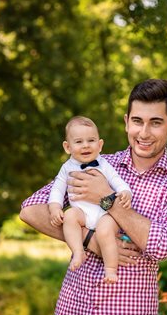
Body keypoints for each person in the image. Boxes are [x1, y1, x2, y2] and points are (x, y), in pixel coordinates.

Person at [20, 79, 167, 315]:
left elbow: (161, 245)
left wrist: (106, 197)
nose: (144, 133)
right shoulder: (95, 164)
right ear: (127, 123)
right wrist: (92, 241)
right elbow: (30, 210)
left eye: (156, 123)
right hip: (73, 308)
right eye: (137, 121)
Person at [48, 115, 132, 283]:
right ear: (67, 147)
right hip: (82, 215)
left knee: (105, 231)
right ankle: (78, 251)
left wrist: (125, 191)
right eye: (78, 142)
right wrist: (55, 207)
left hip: (105, 214)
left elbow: (116, 180)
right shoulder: (66, 168)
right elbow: (57, 189)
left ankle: (110, 269)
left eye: (91, 140)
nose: (85, 145)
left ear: (100, 145)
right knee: (70, 216)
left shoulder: (104, 164)